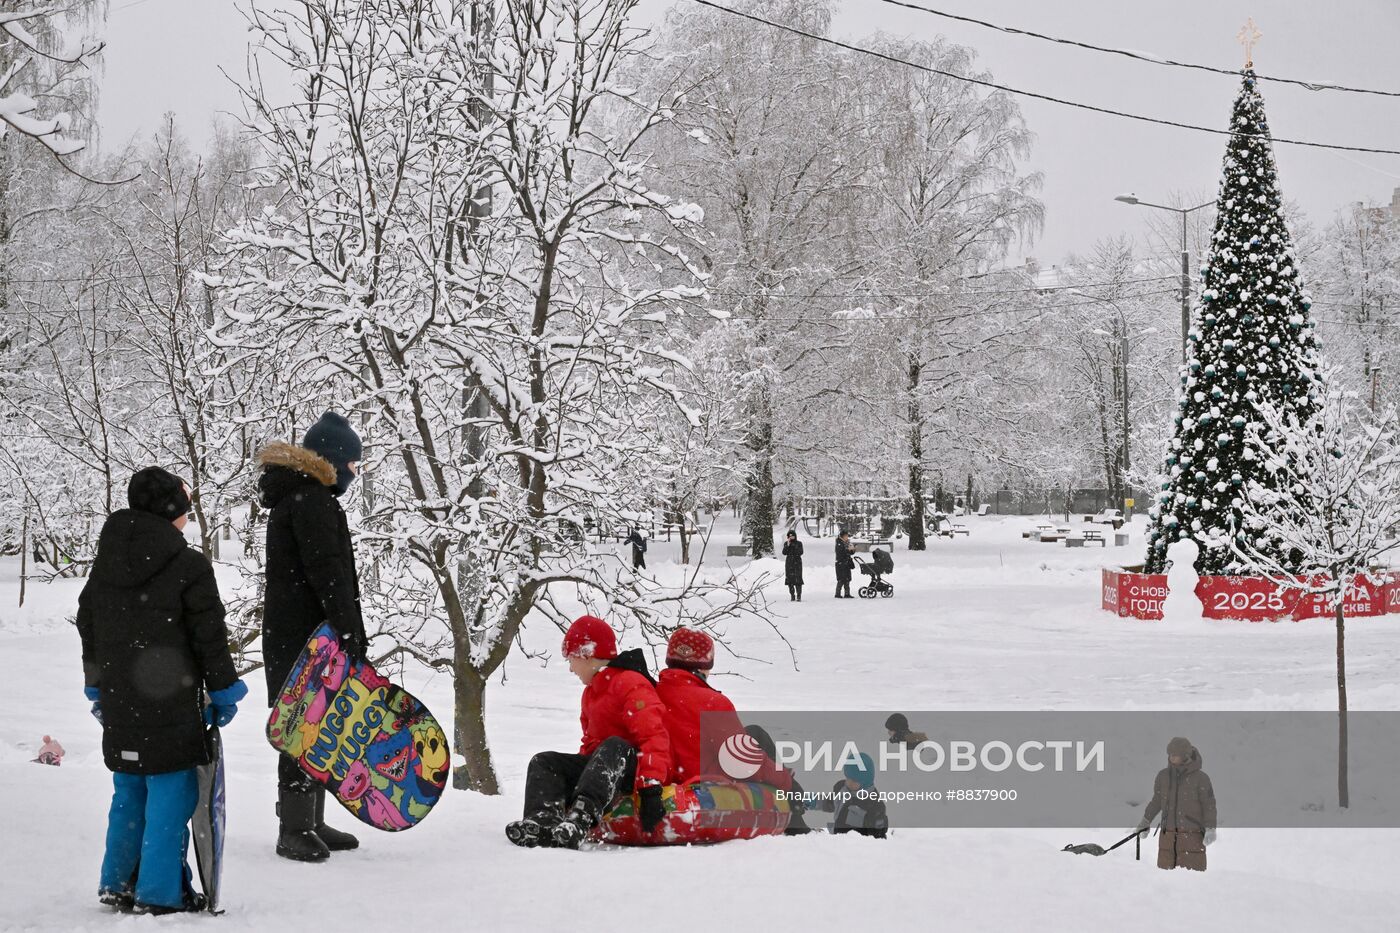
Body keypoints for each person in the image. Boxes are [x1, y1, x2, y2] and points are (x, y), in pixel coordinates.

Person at [77, 467, 248, 914]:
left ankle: (117, 881)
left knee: (129, 789)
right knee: (172, 793)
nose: (188, 519)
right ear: (172, 512)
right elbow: (208, 635)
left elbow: (88, 621)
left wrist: (96, 683)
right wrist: (225, 690)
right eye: (185, 511)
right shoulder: (187, 565)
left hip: (119, 699)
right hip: (170, 702)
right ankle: (158, 893)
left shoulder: (107, 565)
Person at [257, 411, 368, 862]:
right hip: (310, 638)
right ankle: (295, 827)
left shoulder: (298, 499)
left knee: (315, 723)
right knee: (304, 724)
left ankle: (309, 820)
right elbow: (330, 576)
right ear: (335, 460)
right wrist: (348, 630)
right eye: (354, 465)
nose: (355, 474)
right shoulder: (312, 502)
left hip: (297, 635)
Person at [506, 615, 673, 849]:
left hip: (629, 769)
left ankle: (581, 818)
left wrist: (651, 789)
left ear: (587, 654)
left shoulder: (630, 682)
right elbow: (590, 743)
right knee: (544, 762)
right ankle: (542, 822)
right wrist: (575, 776)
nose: (571, 668)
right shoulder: (591, 694)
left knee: (614, 745)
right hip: (602, 768)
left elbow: (653, 736)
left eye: (571, 660)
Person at [655, 627, 791, 790]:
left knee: (754, 733)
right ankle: (796, 804)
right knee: (758, 739)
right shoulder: (712, 704)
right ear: (704, 665)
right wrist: (784, 778)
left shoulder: (650, 694)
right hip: (706, 791)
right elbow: (742, 760)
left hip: (661, 786)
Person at [1134, 736, 1217, 871]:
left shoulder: (1201, 779)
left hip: (1192, 838)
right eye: (1170, 754)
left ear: (1185, 756)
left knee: (1191, 882)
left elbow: (1209, 806)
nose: (1171, 757)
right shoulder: (1163, 777)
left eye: (1175, 755)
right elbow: (1156, 802)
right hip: (1167, 839)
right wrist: (1145, 821)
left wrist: (1211, 828)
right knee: (1166, 885)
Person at [813, 752, 888, 838]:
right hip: (838, 839)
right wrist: (813, 801)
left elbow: (878, 837)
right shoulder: (842, 788)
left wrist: (878, 829)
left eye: (854, 781)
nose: (848, 783)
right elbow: (830, 802)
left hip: (857, 846)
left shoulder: (874, 805)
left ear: (865, 782)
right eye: (847, 778)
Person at [782, 530, 804, 601]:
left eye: (793, 536)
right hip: (789, 563)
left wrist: (794, 546)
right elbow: (784, 553)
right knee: (790, 580)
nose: (791, 537)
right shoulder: (786, 543)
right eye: (790, 536)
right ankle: (792, 595)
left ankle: (799, 595)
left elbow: (800, 552)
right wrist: (788, 545)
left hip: (797, 563)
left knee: (798, 580)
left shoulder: (799, 543)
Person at [834, 530, 855, 599]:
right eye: (846, 536)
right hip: (841, 564)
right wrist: (848, 550)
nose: (847, 537)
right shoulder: (839, 543)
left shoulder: (846, 542)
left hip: (846, 563)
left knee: (847, 579)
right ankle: (837, 594)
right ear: (843, 536)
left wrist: (852, 550)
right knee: (841, 579)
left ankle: (847, 593)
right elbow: (841, 553)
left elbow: (849, 553)